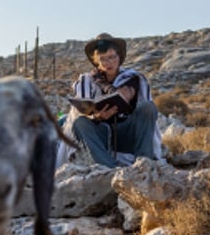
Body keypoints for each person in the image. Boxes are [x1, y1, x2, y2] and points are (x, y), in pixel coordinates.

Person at [59, 32, 162, 168]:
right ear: (96, 61)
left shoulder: (132, 78)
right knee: (80, 122)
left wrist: (112, 90)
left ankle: (144, 165)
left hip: (128, 132)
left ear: (119, 56)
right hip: (101, 134)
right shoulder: (87, 80)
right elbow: (82, 110)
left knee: (148, 108)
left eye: (112, 57)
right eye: (103, 59)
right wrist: (97, 116)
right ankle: (108, 168)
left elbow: (127, 96)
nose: (108, 63)